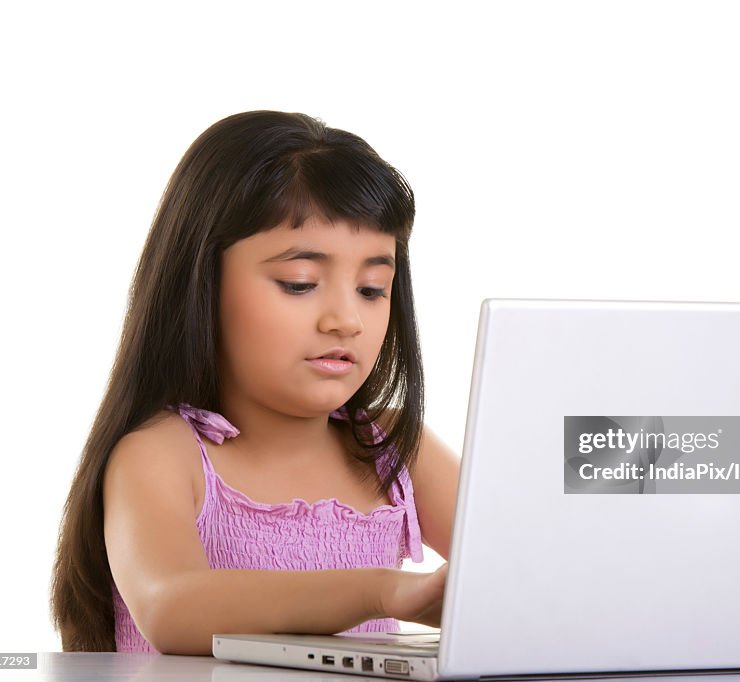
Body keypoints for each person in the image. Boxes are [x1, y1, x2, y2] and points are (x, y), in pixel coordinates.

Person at [50, 111, 460, 655]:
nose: (346, 320)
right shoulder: (163, 456)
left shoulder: (394, 448)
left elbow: (529, 557)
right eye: (300, 283)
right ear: (200, 284)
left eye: (370, 288)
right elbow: (171, 607)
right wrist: (380, 591)